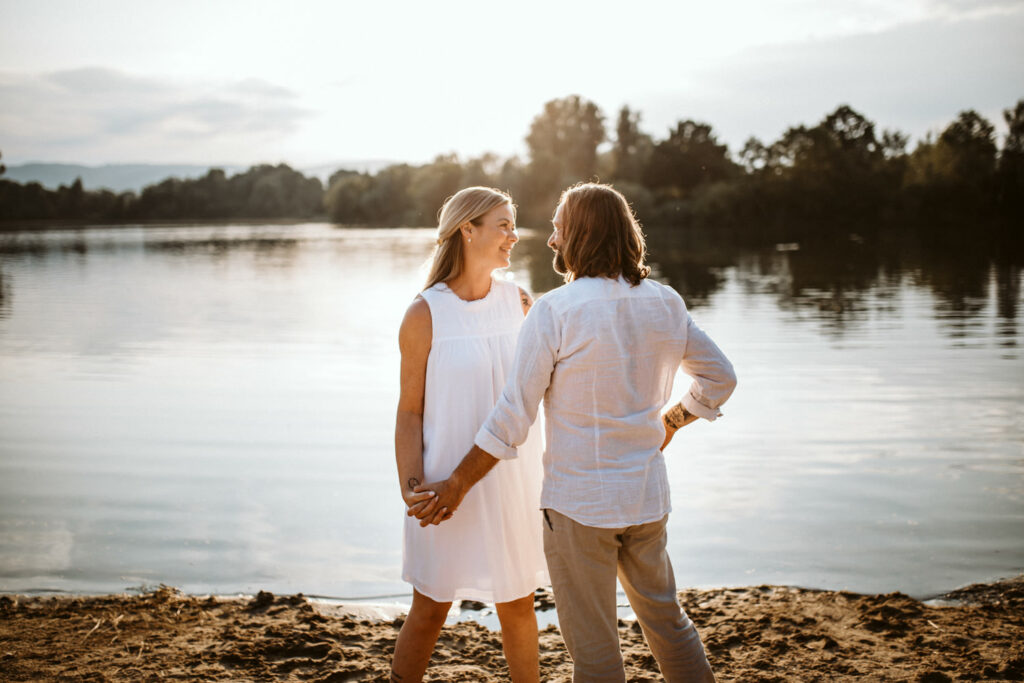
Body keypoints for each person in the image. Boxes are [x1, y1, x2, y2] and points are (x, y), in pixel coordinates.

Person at [413, 182, 736, 682]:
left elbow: (512, 417)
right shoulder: (666, 303)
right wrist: (672, 421)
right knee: (669, 624)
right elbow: (721, 378)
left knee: (595, 648)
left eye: (559, 228)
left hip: (578, 507)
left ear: (582, 235)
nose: (550, 240)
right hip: (647, 499)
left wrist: (457, 482)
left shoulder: (555, 311)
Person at [390, 187, 549, 683]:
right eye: (503, 224)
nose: (513, 235)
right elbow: (410, 410)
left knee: (519, 603)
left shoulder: (520, 302)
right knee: (432, 606)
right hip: (443, 480)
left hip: (512, 478)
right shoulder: (424, 313)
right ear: (468, 229)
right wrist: (411, 484)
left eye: (512, 224)